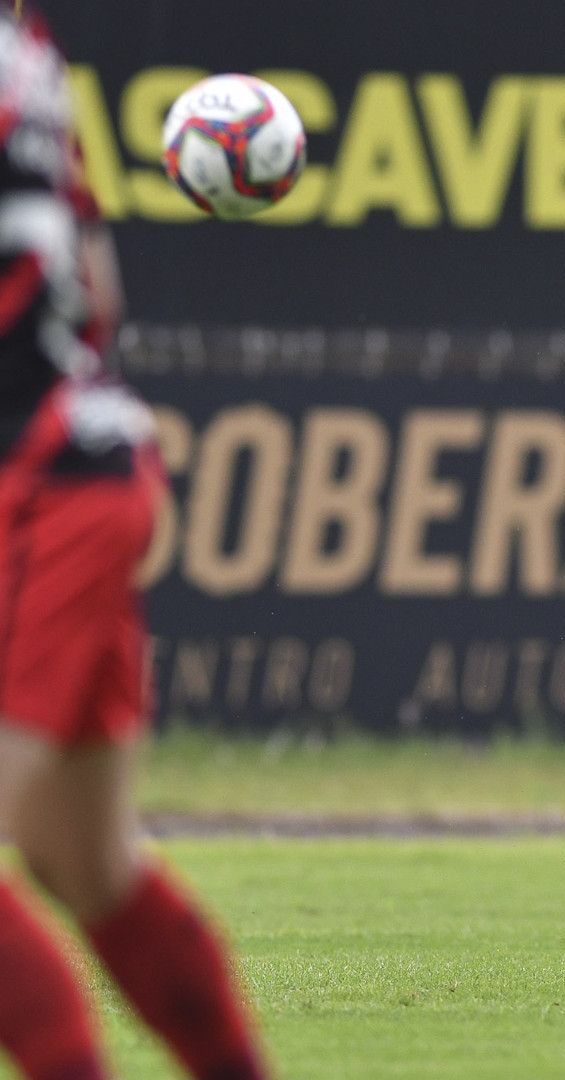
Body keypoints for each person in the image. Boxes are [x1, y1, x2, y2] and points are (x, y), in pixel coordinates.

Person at [0, 11, 270, 1080]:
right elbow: (96, 291)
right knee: (83, 863)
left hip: (34, 483)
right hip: (84, 460)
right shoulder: (29, 50)